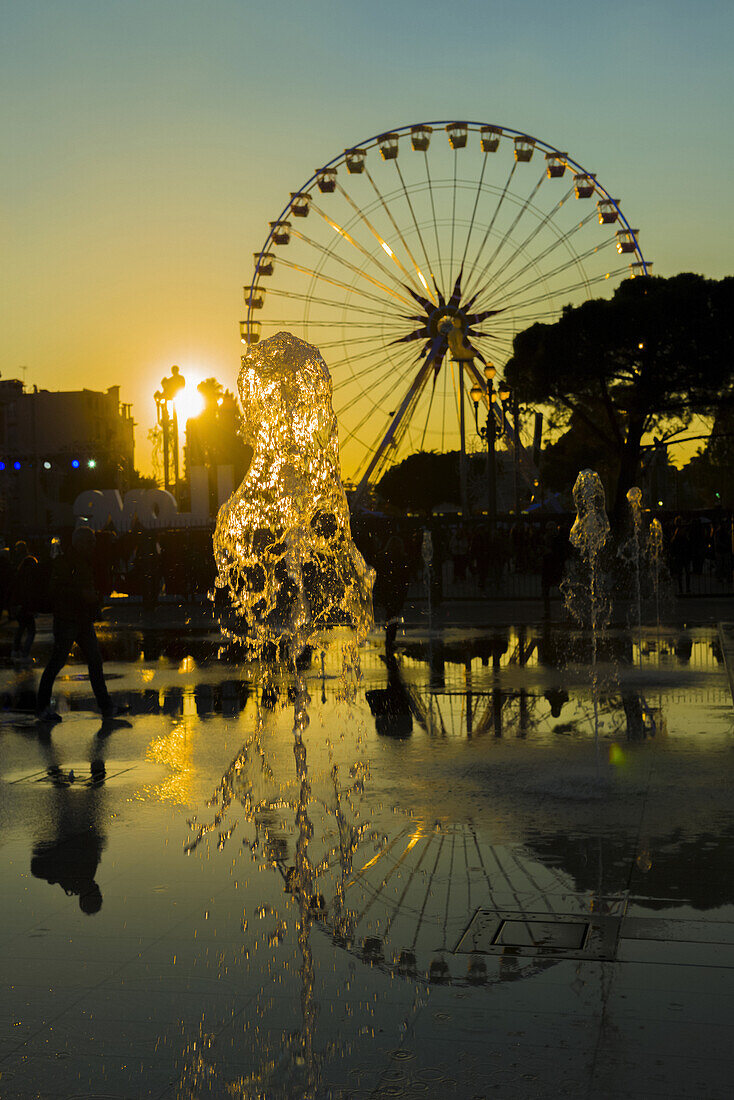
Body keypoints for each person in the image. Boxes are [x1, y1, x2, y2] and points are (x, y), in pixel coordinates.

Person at [36, 526, 123, 722]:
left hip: (82, 620)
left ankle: (106, 707)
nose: (94, 545)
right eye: (90, 541)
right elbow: (56, 590)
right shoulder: (64, 562)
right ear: (79, 543)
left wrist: (94, 597)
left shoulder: (83, 561)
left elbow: (84, 587)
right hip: (67, 620)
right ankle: (41, 709)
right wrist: (83, 595)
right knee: (57, 663)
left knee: (95, 661)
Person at [10, 541, 40, 663]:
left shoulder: (18, 575)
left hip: (18, 606)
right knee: (31, 631)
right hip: (26, 607)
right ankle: (24, 653)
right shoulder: (30, 579)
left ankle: (15, 651)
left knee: (21, 628)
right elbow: (29, 594)